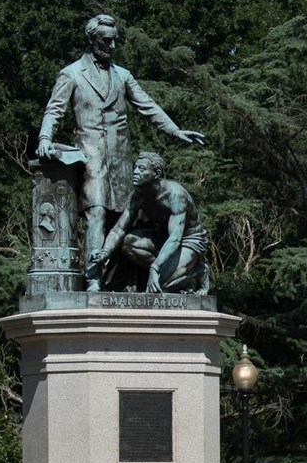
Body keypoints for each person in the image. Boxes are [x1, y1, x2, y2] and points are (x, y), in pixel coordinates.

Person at [36, 14, 205, 278]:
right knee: (97, 213)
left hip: (121, 162)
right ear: (92, 40)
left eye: (115, 41)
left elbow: (148, 106)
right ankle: (92, 280)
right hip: (90, 158)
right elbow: (54, 111)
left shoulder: (123, 76)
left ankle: (116, 280)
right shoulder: (71, 74)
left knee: (123, 220)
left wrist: (175, 130)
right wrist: (44, 138)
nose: (112, 47)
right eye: (107, 41)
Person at [87, 152, 210, 293]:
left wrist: (155, 267)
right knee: (127, 242)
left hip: (188, 241)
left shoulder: (175, 194)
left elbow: (175, 237)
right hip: (162, 238)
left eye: (141, 169)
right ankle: (170, 270)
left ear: (156, 173)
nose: (135, 172)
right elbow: (119, 229)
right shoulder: (137, 195)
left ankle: (197, 269)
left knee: (161, 287)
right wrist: (105, 252)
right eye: (135, 168)